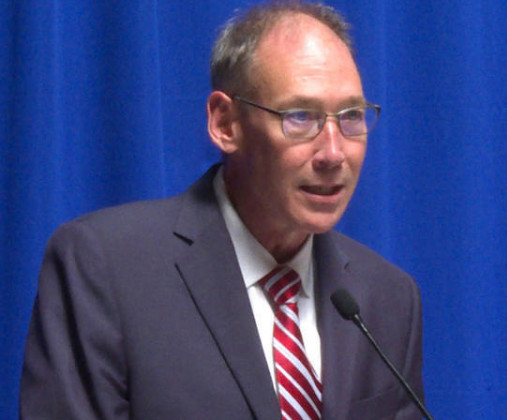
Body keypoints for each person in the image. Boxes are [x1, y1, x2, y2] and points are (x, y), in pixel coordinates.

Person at [19, 1, 425, 419]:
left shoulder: (387, 298)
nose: (334, 152)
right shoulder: (104, 268)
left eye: (351, 116)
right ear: (225, 123)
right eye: (300, 117)